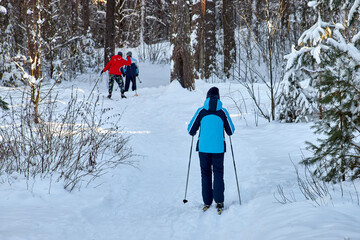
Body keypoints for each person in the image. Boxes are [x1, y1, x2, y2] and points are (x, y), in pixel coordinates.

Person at [187, 87, 235, 213]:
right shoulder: (222, 112)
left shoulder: (201, 111)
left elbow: (191, 130)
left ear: (207, 97)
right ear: (219, 97)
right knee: (218, 173)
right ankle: (219, 201)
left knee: (206, 174)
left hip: (203, 148)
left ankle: (207, 201)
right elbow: (231, 131)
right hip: (218, 149)